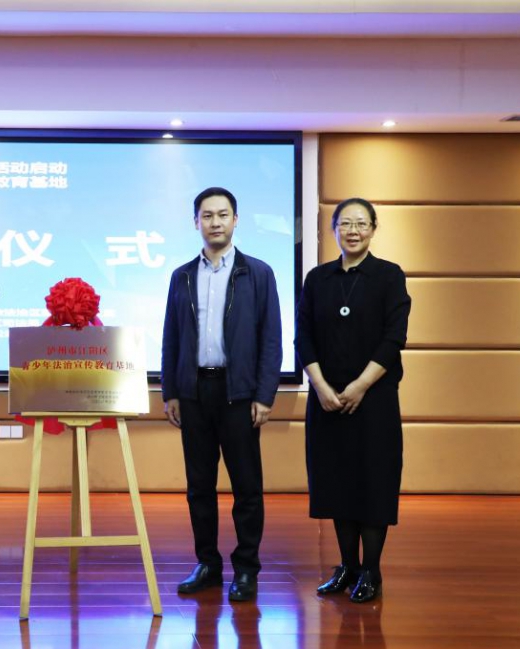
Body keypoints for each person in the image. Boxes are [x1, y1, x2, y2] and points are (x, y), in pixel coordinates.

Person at [161, 186, 282, 602]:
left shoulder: (258, 273)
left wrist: (264, 395)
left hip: (239, 393)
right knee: (199, 486)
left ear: (235, 220)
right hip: (194, 392)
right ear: (196, 222)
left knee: (247, 487)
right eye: (207, 215)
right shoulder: (182, 275)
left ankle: (246, 568)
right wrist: (171, 391)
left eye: (223, 214)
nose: (215, 222)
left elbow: (271, 339)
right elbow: (171, 337)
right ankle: (208, 564)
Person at [295, 197, 411, 603]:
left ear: (374, 229)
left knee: (373, 483)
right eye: (345, 223)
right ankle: (347, 566)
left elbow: (394, 338)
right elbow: (303, 337)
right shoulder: (318, 279)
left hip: (374, 400)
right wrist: (321, 387)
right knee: (336, 483)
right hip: (327, 400)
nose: (353, 231)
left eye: (362, 223)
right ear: (333, 230)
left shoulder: (389, 276)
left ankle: (371, 571)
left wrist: (360, 385)